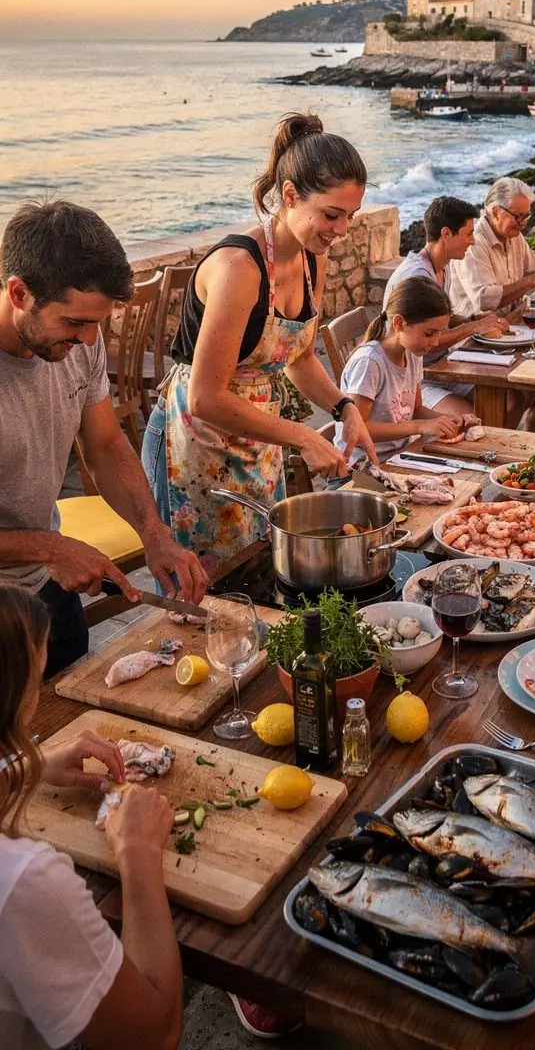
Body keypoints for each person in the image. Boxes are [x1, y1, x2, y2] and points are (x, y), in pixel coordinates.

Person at [142, 115, 377, 570]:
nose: (342, 229)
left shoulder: (313, 260)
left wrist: (343, 408)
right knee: (202, 598)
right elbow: (206, 397)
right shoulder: (239, 267)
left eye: (351, 216)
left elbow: (299, 359)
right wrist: (301, 435)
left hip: (257, 440)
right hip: (193, 443)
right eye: (332, 214)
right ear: (290, 195)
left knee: (258, 576)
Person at [0, 202, 206, 679]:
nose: (92, 340)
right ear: (19, 292)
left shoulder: (80, 346)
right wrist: (51, 548)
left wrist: (154, 536)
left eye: (99, 322)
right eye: (75, 323)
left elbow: (106, 447)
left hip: (47, 585)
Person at [0, 588, 183, 1049]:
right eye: (37, 685)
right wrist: (139, 856)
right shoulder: (24, 881)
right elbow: (154, 1036)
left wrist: (25, 768)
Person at [382, 196, 508, 419]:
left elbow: (440, 321)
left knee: (507, 400)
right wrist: (474, 327)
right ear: (446, 234)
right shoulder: (418, 277)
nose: (473, 241)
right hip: (414, 378)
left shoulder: (442, 266)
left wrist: (471, 318)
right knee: (473, 417)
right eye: (468, 234)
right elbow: (426, 341)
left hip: (438, 368)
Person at [337, 277, 465, 459]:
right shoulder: (369, 362)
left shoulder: (412, 353)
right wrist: (419, 426)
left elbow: (417, 409)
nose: (436, 342)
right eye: (429, 333)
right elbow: (357, 429)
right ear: (399, 323)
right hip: (360, 469)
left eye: (440, 332)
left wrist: (445, 420)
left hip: (400, 457)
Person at [447, 177, 535, 316]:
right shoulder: (474, 243)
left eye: (526, 216)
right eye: (518, 216)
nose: (523, 223)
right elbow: (483, 299)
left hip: (511, 323)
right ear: (495, 212)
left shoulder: (514, 236)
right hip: (480, 332)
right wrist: (531, 282)